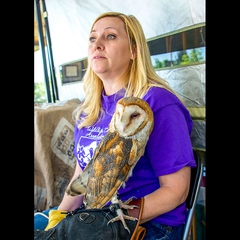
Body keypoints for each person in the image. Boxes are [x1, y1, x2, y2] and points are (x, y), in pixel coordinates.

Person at [34, 11, 196, 240]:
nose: (97, 44)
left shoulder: (157, 102)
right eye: (92, 38)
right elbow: (83, 174)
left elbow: (176, 191)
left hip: (147, 225)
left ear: (134, 50)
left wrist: (110, 219)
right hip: (94, 217)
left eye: (110, 36)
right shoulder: (89, 108)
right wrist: (59, 216)